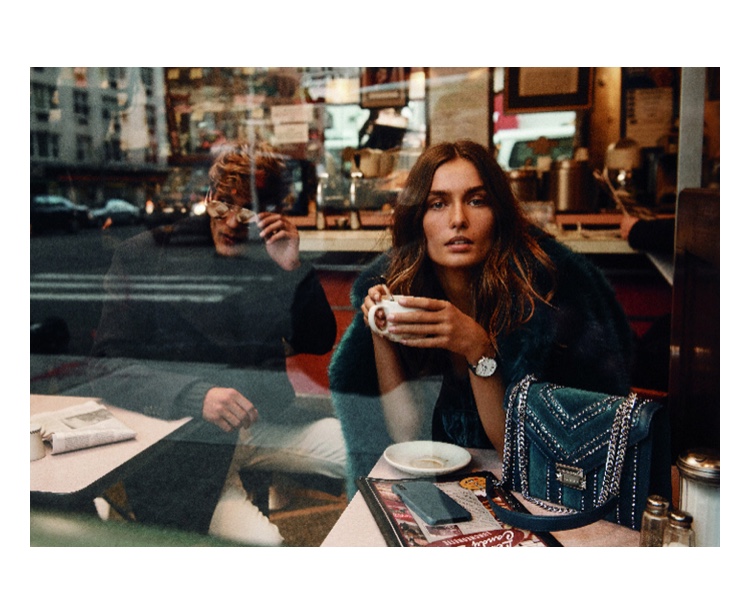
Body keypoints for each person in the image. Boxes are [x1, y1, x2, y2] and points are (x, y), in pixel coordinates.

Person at [329, 140, 634, 495]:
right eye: (438, 204)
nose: (458, 219)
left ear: (498, 213)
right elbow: (406, 435)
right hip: (440, 491)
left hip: (531, 494)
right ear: (418, 220)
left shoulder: (545, 299)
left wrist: (477, 347)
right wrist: (380, 328)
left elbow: (519, 457)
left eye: (476, 200)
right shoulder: (407, 293)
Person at [88, 142, 345, 545]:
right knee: (266, 546)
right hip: (186, 439)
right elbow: (106, 367)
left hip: (261, 422)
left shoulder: (270, 253)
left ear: (271, 214)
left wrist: (292, 269)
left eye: (248, 211)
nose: (232, 222)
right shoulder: (146, 255)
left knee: (368, 450)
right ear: (208, 197)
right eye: (223, 204)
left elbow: (316, 339)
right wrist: (196, 396)